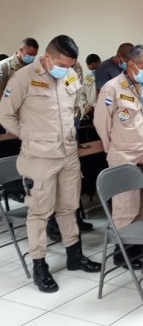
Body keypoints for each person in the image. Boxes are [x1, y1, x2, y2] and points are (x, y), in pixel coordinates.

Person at [0, 35, 101, 293]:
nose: (67, 69)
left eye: (71, 65)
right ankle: (39, 264)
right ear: (47, 57)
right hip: (39, 157)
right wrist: (29, 135)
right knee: (39, 212)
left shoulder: (69, 75)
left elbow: (75, 105)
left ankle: (74, 255)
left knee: (69, 207)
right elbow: (5, 114)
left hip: (67, 152)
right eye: (62, 64)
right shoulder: (23, 78)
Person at [94, 44, 143, 269]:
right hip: (124, 157)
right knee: (125, 208)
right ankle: (122, 253)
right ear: (131, 64)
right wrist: (115, 150)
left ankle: (139, 247)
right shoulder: (112, 89)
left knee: (141, 206)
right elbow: (101, 123)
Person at [81, 53, 101, 120]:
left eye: (94, 68)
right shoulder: (87, 78)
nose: (92, 71)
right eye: (90, 69)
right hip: (89, 113)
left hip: (102, 114)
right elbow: (81, 94)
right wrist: (85, 104)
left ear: (99, 63)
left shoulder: (107, 78)